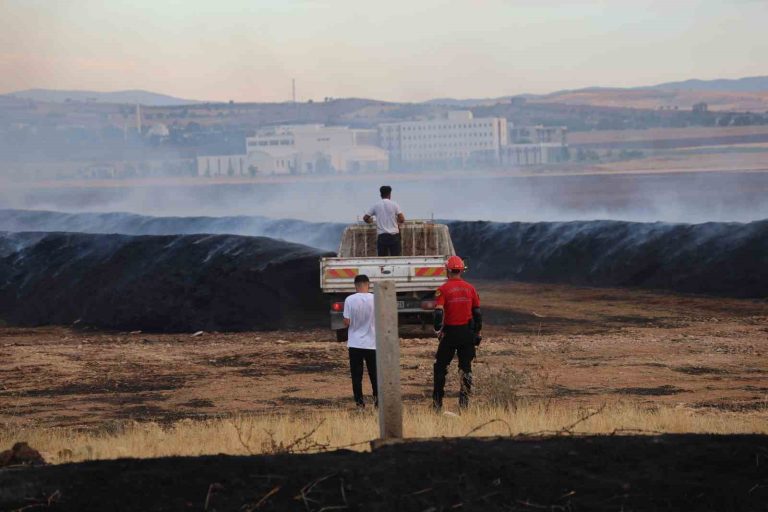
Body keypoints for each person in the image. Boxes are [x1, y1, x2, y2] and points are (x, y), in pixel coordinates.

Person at [432, 256, 482, 411]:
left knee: (440, 368)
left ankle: (437, 404)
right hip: (467, 333)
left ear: (448, 270)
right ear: (461, 270)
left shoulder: (443, 289)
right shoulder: (471, 288)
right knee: (466, 368)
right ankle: (464, 404)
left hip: (450, 333)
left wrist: (437, 329)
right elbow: (477, 313)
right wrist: (477, 333)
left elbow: (438, 312)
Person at [343, 274, 378, 408]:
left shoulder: (349, 300)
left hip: (355, 343)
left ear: (355, 286)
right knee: (374, 374)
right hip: (372, 343)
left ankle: (359, 403)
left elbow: (347, 322)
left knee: (356, 376)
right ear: (368, 284)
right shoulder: (376, 299)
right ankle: (378, 402)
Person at [363, 185, 405, 256]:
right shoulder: (394, 204)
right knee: (395, 259)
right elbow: (402, 219)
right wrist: (395, 220)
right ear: (390, 194)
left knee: (382, 260)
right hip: (394, 236)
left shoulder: (376, 205)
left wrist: (370, 221)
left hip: (382, 236)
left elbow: (365, 218)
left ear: (380, 194)